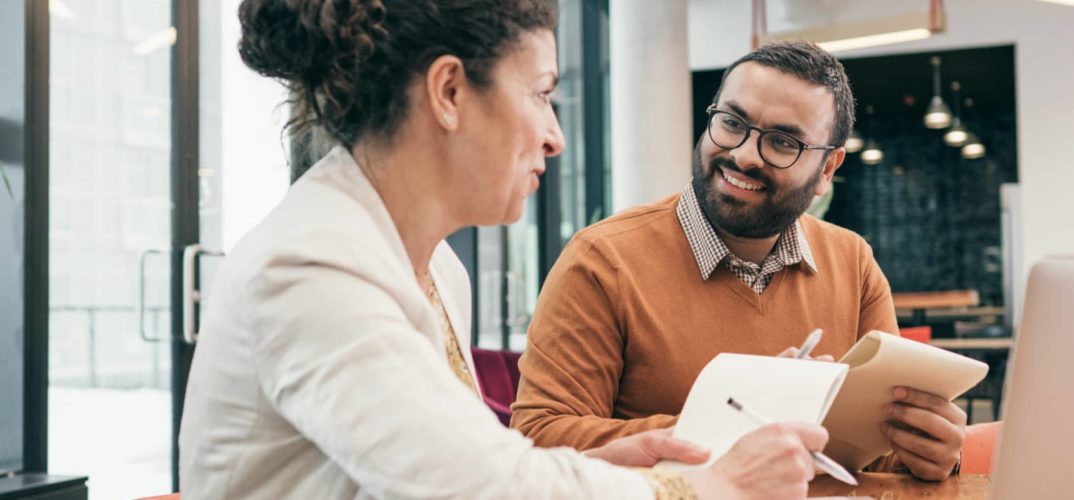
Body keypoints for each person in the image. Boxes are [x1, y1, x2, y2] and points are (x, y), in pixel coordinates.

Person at [178, 1, 831, 498]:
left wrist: (595, 465)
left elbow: (455, 463)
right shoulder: (309, 268)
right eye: (542, 95)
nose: (555, 137)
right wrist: (709, 486)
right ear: (450, 92)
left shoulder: (437, 268)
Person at [511, 41, 967, 482]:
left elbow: (872, 456)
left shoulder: (853, 262)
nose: (744, 155)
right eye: (732, 122)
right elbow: (540, 440)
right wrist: (736, 422)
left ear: (827, 170)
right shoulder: (601, 260)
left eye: (783, 142)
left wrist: (928, 452)